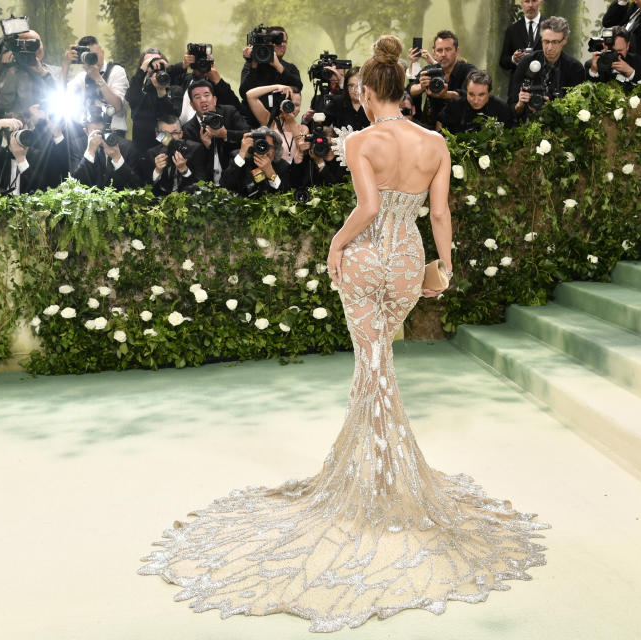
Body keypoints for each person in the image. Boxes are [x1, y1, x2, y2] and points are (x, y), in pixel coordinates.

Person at [139, 34, 550, 632]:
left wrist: (335, 243)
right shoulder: (435, 142)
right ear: (402, 91)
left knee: (372, 365)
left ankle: (376, 481)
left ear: (367, 92)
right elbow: (439, 214)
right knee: (381, 364)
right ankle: (385, 476)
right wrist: (447, 266)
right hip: (409, 260)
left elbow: (363, 207)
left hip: (362, 260)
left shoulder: (360, 139)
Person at [509, 17, 586, 122]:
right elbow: (512, 108)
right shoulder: (526, 62)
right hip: (526, 125)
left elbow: (576, 112)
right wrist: (520, 105)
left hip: (560, 129)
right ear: (541, 40)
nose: (549, 48)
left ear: (565, 40)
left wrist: (552, 108)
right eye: (546, 42)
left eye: (555, 42)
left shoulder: (575, 69)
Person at [181, 80, 251, 184]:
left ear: (214, 100)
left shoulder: (229, 112)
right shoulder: (188, 129)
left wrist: (225, 134)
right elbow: (196, 167)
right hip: (207, 184)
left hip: (236, 179)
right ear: (192, 105)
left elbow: (248, 134)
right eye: (197, 97)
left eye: (206, 95)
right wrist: (207, 147)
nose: (203, 100)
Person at [408, 30, 477, 128]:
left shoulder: (469, 71)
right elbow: (410, 90)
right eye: (439, 50)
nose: (443, 54)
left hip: (461, 129)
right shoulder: (429, 71)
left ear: (457, 51)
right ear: (434, 52)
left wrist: (446, 95)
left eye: (448, 49)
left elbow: (473, 95)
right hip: (431, 129)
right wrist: (421, 86)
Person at [64, 36, 128, 136]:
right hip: (87, 132)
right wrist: (65, 65)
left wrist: (98, 78)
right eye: (87, 56)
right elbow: (61, 93)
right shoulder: (82, 77)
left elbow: (117, 106)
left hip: (113, 133)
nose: (92, 59)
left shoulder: (116, 71)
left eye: (94, 55)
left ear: (102, 52)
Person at [239, 26, 303, 125]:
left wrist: (279, 67)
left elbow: (297, 87)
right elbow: (244, 93)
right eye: (277, 41)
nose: (282, 44)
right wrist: (254, 64)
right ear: (267, 43)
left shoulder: (290, 68)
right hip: (251, 122)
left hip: (281, 124)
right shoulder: (251, 65)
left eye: (284, 41)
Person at [0, 29, 61, 117]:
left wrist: (42, 72)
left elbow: (61, 97)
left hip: (50, 125)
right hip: (21, 127)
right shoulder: (12, 73)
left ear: (42, 44)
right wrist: (11, 70)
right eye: (27, 44)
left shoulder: (55, 72)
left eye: (35, 43)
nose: (33, 49)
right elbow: (4, 105)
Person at [126, 49, 182, 153]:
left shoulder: (174, 90)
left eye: (158, 62)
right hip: (141, 149)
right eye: (150, 64)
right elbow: (130, 97)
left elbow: (171, 117)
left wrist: (161, 91)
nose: (154, 67)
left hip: (165, 148)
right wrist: (144, 67)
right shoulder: (141, 90)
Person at [142, 115, 206, 196]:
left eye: (174, 133)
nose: (170, 138)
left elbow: (202, 185)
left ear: (181, 134)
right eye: (165, 134)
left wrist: (184, 170)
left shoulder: (195, 149)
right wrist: (157, 171)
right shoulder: (152, 153)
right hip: (161, 201)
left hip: (188, 199)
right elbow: (145, 187)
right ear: (158, 135)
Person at [244, 84, 308, 165]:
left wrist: (291, 122)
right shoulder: (270, 121)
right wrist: (277, 87)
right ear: (281, 103)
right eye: (289, 103)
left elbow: (301, 146)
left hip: (294, 172)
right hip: (272, 171)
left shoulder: (303, 128)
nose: (292, 108)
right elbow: (250, 95)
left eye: (297, 105)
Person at [437, 70, 516, 133]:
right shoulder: (455, 105)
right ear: (466, 91)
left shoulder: (501, 108)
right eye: (471, 94)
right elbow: (440, 121)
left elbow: (509, 132)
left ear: (489, 92)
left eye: (481, 95)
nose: (476, 100)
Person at [219, 127, 289, 197]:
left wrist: (271, 174)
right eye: (260, 144)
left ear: (276, 149)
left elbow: (284, 195)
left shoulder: (283, 166)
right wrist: (242, 153)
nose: (263, 149)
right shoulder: (240, 158)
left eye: (268, 146)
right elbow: (225, 185)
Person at [499, 0, 544, 80]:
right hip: (518, 86)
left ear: (540, 2)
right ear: (522, 3)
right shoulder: (512, 30)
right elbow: (503, 62)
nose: (530, 5)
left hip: (544, 84)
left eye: (534, 1)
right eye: (527, 1)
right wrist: (513, 59)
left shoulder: (551, 27)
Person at [322, 66, 370, 131]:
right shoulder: (337, 102)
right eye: (351, 85)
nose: (355, 90)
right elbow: (323, 125)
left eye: (359, 85)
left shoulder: (372, 104)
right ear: (346, 87)